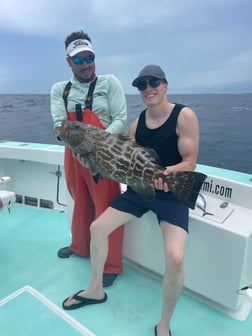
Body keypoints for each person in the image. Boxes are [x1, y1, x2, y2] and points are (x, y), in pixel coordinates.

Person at [62, 64, 199, 336]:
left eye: (153, 82)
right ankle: (95, 289)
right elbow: (121, 160)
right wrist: (92, 162)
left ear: (165, 85)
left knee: (175, 257)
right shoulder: (137, 125)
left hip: (171, 196)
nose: (148, 88)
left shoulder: (184, 116)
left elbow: (190, 163)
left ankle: (164, 325)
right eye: (141, 85)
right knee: (97, 228)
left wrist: (168, 174)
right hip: (139, 191)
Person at [50, 30, 127, 287]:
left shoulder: (110, 83)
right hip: (74, 155)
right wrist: (78, 143)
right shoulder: (59, 90)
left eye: (89, 58)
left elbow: (120, 119)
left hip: (104, 154)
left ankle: (111, 263)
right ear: (68, 62)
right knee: (80, 201)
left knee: (107, 207)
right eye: (79, 60)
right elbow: (60, 124)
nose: (86, 64)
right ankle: (80, 246)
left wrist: (99, 141)